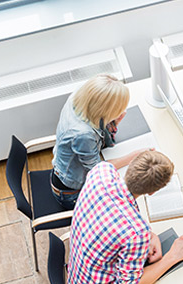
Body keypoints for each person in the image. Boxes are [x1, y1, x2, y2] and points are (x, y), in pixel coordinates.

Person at [68, 151, 183, 284]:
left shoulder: (101, 172)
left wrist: (149, 234)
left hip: (79, 272)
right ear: (152, 192)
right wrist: (172, 257)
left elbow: (116, 214)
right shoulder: (135, 234)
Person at [51, 74, 144, 209]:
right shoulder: (84, 135)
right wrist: (134, 156)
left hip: (66, 170)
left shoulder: (80, 97)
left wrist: (114, 122)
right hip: (71, 193)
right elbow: (99, 170)